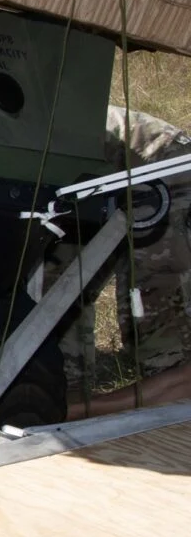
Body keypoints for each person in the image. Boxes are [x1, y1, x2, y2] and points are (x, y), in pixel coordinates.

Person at [61, 106, 191, 416]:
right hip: (96, 157)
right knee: (53, 296)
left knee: (164, 337)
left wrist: (68, 412)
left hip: (158, 168)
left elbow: (184, 385)